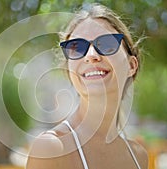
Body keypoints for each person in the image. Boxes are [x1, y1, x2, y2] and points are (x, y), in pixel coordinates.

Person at [26, 3, 148, 169]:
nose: (91, 56)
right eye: (76, 47)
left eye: (106, 44)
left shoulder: (139, 156)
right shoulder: (51, 148)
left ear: (131, 65)